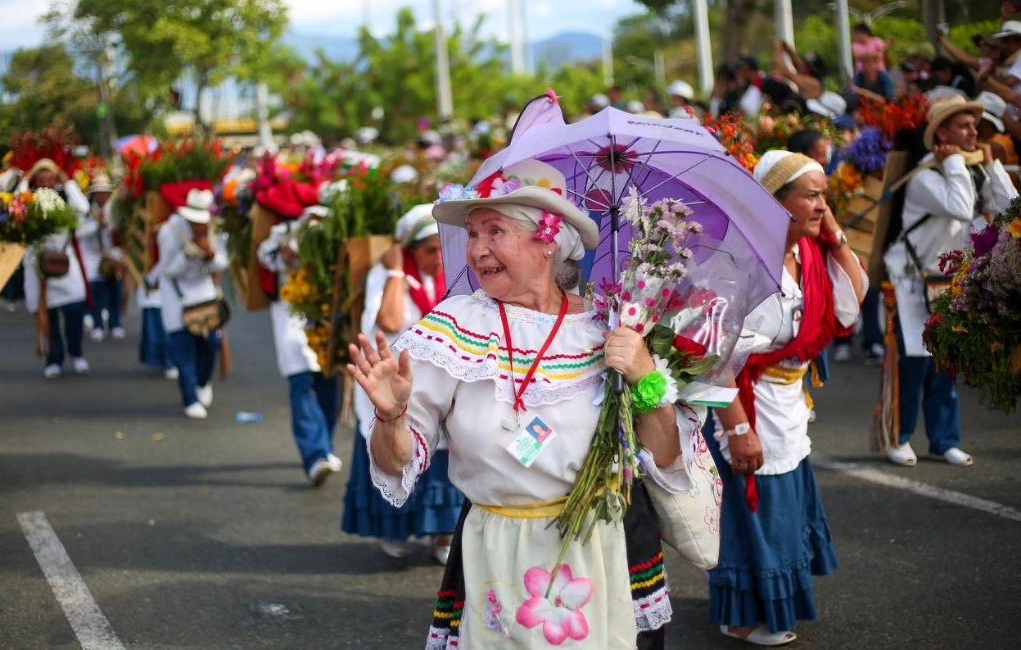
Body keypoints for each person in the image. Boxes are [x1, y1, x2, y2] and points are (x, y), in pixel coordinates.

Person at [349, 159, 703, 648]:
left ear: (548, 241)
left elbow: (665, 459)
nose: (476, 250)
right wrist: (391, 417)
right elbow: (397, 461)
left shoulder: (612, 325)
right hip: (499, 553)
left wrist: (645, 376)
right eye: (472, 233)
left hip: (605, 549)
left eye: (494, 231)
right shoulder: (456, 327)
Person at [707, 150, 866, 646]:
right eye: (812, 195)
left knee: (782, 508)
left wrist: (834, 235)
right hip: (748, 405)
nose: (823, 204)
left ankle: (760, 603)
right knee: (757, 511)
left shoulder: (809, 254)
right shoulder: (741, 266)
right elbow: (714, 360)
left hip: (788, 404)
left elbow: (850, 305)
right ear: (776, 203)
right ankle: (740, 614)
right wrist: (737, 429)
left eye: (825, 195)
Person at [882, 96, 1018, 467]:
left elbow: (1010, 207)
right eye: (964, 126)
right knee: (912, 365)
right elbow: (959, 206)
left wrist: (993, 167)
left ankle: (943, 440)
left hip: (949, 282)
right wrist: (956, 160)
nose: (975, 131)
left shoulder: (969, 172)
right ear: (942, 134)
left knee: (945, 362)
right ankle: (898, 436)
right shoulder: (926, 175)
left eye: (975, 126)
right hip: (911, 282)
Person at [342, 204, 465, 563]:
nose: (439, 258)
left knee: (442, 461)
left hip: (437, 382)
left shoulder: (453, 276)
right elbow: (391, 319)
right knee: (395, 454)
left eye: (443, 248)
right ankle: (393, 530)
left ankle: (442, 536)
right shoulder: (388, 277)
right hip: (392, 384)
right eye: (429, 250)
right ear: (409, 250)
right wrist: (396, 269)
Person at [257, 207, 344, 486]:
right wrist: (285, 254)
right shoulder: (282, 233)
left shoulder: (336, 233)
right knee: (302, 380)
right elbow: (264, 257)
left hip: (326, 312)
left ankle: (324, 446)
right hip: (290, 313)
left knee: (329, 380)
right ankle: (314, 455)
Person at [157, 189, 229, 419]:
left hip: (204, 295)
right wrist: (187, 255)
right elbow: (166, 269)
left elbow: (223, 264)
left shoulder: (216, 230)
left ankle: (203, 381)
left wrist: (211, 255)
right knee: (183, 349)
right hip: (177, 298)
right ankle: (190, 398)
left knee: (210, 345)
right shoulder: (169, 232)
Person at [22, 159, 92, 379]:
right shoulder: (29, 202)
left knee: (74, 311)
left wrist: (68, 182)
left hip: (65, 263)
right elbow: (14, 205)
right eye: (40, 178)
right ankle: (54, 359)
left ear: (56, 179)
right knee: (48, 315)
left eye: (50, 177)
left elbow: (84, 207)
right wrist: (25, 181)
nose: (45, 181)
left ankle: (76, 353)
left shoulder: (65, 200)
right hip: (38, 265)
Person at [82, 175, 126, 342]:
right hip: (93, 255)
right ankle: (98, 324)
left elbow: (120, 232)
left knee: (115, 290)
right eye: (99, 193)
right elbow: (80, 233)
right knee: (96, 292)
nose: (102, 197)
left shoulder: (115, 210)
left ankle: (115, 324)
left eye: (105, 193)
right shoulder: (86, 211)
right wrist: (96, 225)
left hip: (112, 253)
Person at [137, 262, 177, 379]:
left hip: (170, 286)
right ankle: (169, 362)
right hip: (155, 292)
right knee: (159, 329)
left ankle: (172, 362)